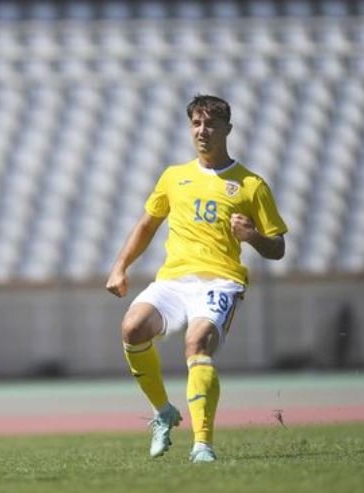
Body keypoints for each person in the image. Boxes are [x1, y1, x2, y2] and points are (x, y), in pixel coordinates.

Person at [106, 95, 287, 463]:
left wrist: (252, 236)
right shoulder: (174, 177)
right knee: (132, 328)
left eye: (210, 124)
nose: (202, 131)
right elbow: (146, 225)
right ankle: (163, 412)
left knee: (197, 343)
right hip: (174, 280)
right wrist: (120, 266)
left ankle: (202, 444)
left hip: (220, 281)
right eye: (196, 124)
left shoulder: (251, 185)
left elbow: (278, 248)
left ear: (227, 130)